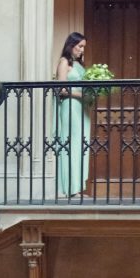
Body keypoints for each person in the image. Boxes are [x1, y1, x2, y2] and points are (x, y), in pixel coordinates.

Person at [55, 31, 90, 196]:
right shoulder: (64, 62)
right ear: (71, 45)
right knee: (71, 145)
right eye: (80, 46)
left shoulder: (79, 65)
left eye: (83, 47)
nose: (82, 50)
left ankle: (77, 187)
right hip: (70, 107)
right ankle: (70, 188)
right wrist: (80, 95)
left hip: (82, 109)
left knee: (81, 145)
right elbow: (61, 90)